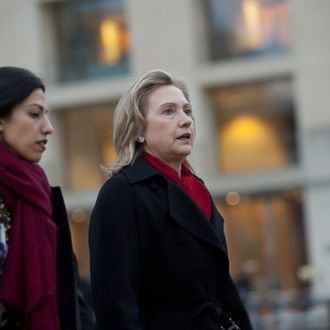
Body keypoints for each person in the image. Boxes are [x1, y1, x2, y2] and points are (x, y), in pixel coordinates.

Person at [89, 69, 253, 330]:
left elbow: (221, 286)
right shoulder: (121, 193)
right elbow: (115, 302)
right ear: (138, 129)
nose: (186, 120)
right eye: (169, 111)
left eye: (187, 111)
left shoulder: (196, 188)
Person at [0, 67, 95, 330]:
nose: (48, 128)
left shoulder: (40, 191)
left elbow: (69, 292)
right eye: (34, 114)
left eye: (46, 115)